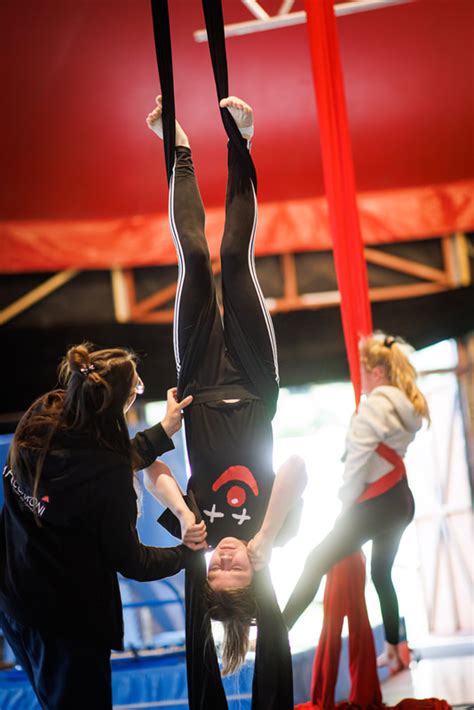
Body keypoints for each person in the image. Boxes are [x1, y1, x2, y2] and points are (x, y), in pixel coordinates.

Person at [144, 95, 306, 701]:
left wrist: (186, 514)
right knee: (235, 259)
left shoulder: (197, 534)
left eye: (218, 568)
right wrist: (266, 535)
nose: (226, 558)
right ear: (256, 573)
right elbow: (296, 466)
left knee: (194, 256)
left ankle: (179, 150)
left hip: (198, 385)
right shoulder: (274, 535)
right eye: (235, 568)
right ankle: (242, 144)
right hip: (256, 383)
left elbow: (153, 469)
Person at [0, 343, 195, 710]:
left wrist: (162, 432)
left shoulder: (43, 414)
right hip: (66, 624)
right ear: (117, 403)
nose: (139, 393)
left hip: (14, 597)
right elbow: (133, 562)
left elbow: (96, 463)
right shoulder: (109, 477)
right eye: (137, 389)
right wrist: (188, 554)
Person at [282, 333, 430, 673]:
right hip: (401, 499)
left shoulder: (375, 406)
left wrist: (345, 500)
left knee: (315, 559)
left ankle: (280, 630)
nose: (360, 378)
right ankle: (394, 648)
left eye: (363, 370)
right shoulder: (406, 408)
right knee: (381, 573)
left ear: (377, 372)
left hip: (376, 501)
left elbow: (358, 461)